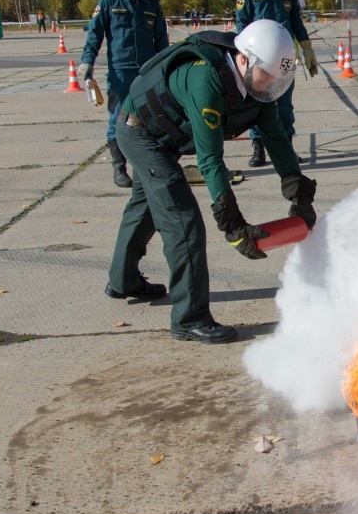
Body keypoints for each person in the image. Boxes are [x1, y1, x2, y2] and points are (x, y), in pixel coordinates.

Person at [104, 19, 318, 344]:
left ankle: (123, 281)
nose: (272, 82)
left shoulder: (259, 88)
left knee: (145, 205)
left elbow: (277, 140)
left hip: (166, 136)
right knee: (183, 221)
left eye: (279, 77)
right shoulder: (207, 79)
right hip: (140, 133)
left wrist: (299, 194)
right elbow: (210, 160)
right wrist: (232, 225)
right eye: (268, 73)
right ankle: (189, 318)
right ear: (244, 58)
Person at [78, 0, 169, 187]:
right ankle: (119, 168)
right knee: (118, 119)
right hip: (121, 73)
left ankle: (147, 165)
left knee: (150, 118)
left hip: (147, 73)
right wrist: (87, 61)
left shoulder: (152, 4)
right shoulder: (110, 2)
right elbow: (95, 35)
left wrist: (165, 68)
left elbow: (161, 42)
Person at [235, 0, 318, 168]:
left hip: (284, 57)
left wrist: (307, 47)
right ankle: (258, 148)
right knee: (257, 102)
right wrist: (244, 54)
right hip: (259, 60)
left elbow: (296, 22)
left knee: (284, 103)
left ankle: (286, 149)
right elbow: (241, 24)